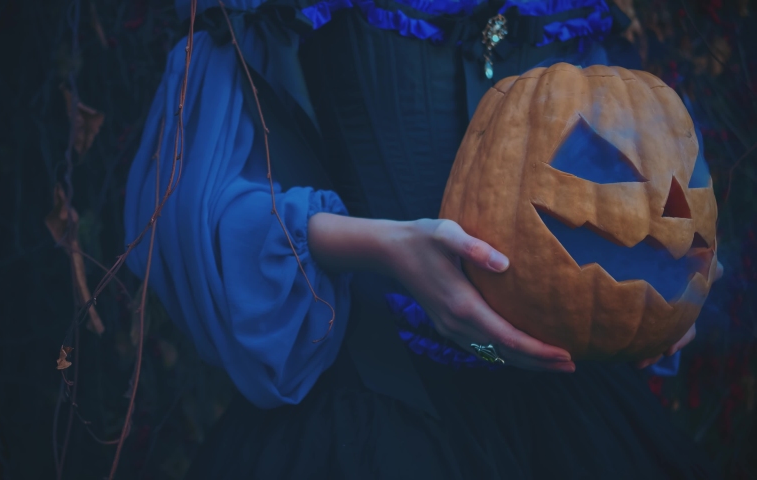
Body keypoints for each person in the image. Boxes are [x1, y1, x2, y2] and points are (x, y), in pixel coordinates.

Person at [124, 0, 721, 477]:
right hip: (379, 397)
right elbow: (197, 204)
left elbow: (625, 166)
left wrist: (667, 271)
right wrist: (387, 249)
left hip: (569, 402)